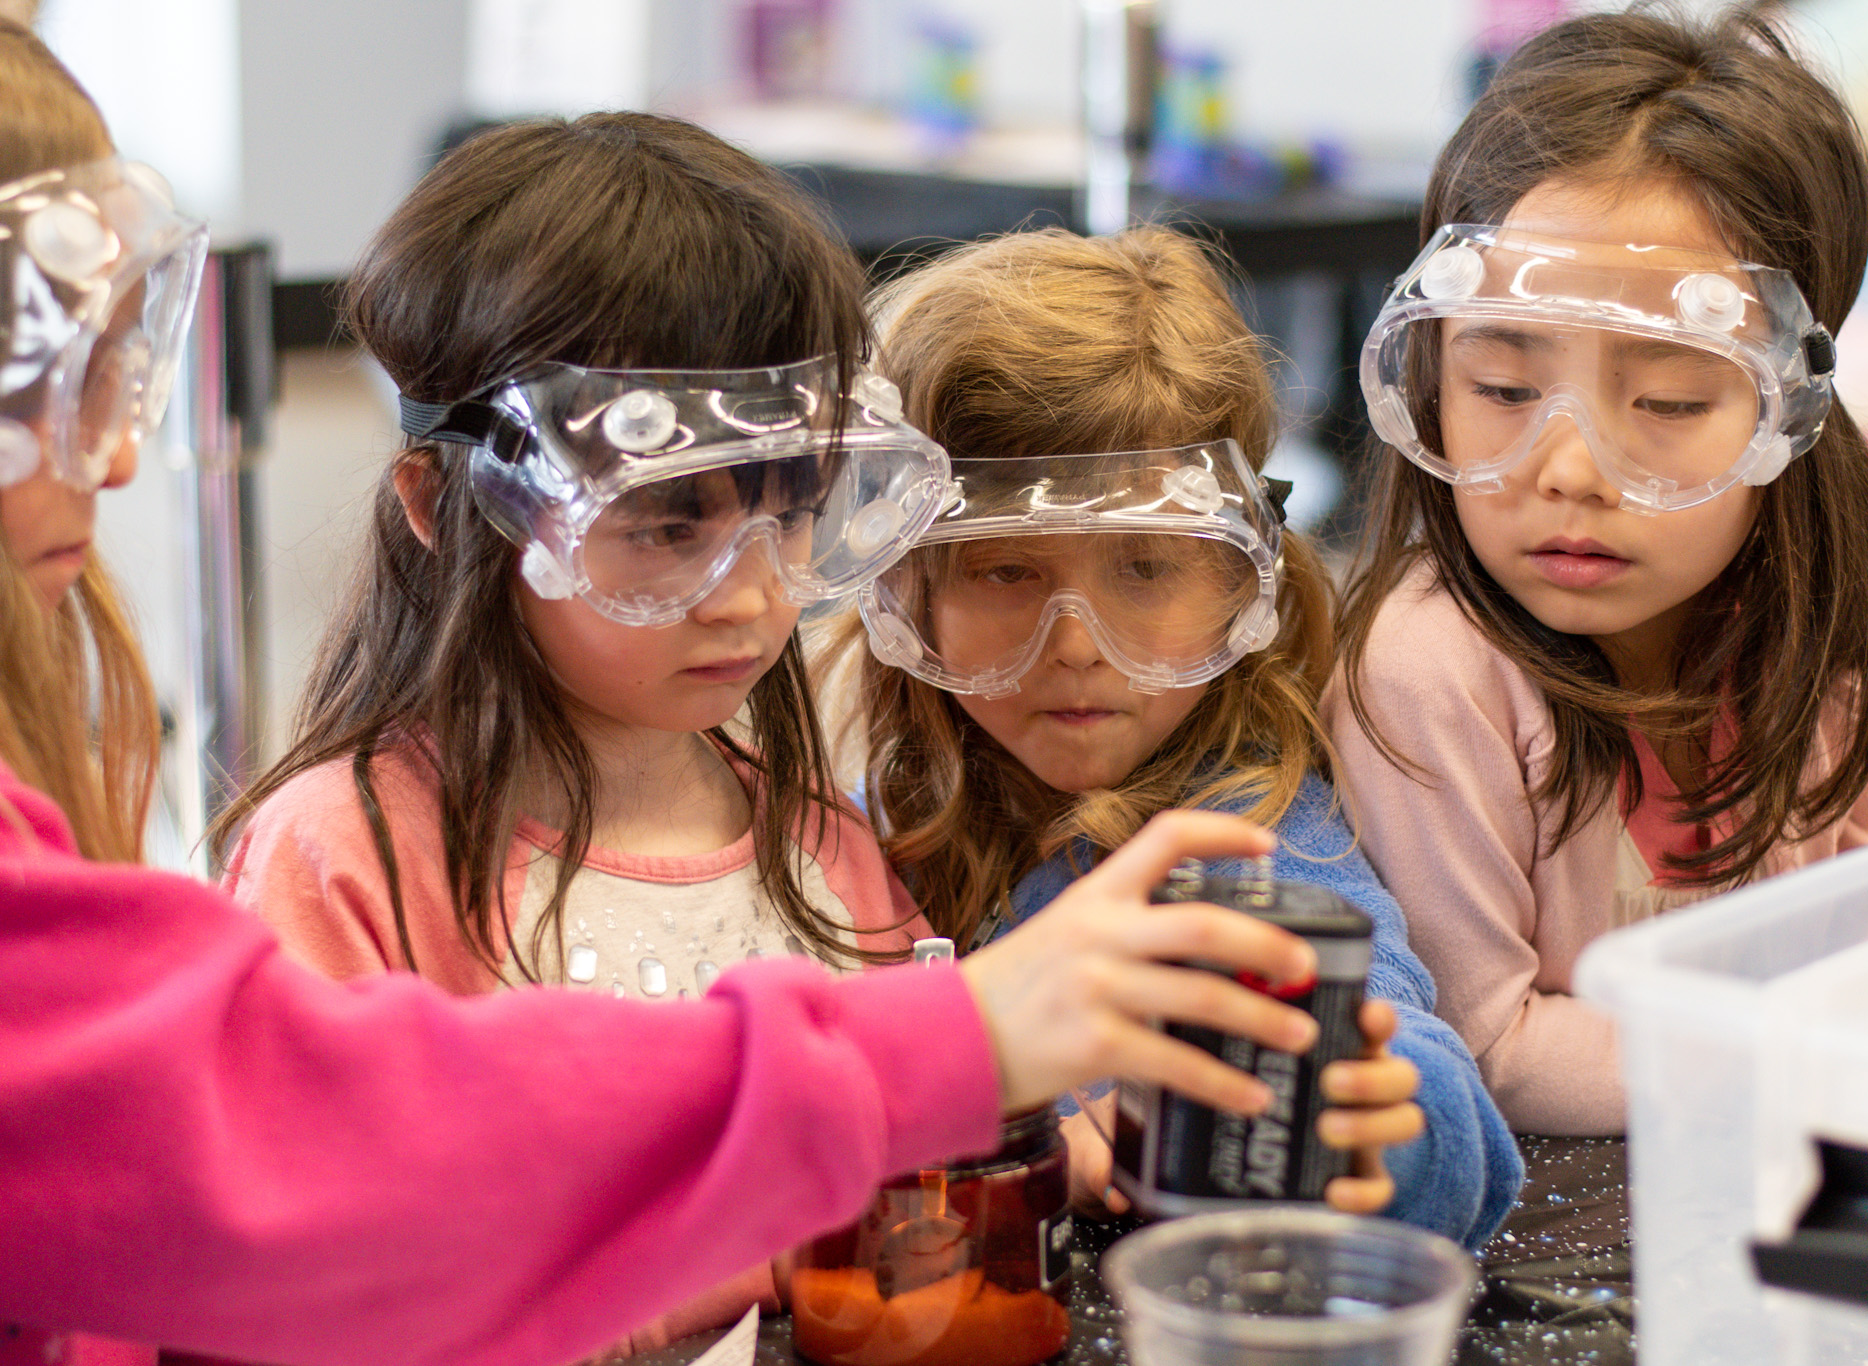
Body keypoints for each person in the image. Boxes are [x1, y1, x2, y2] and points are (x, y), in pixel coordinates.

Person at [0, 24, 1328, 1366]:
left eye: (794, 512)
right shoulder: (345, 861)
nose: (749, 598)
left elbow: (924, 1176)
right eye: (662, 526)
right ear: (439, 504)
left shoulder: (820, 841)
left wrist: (1062, 1125)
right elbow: (314, 1282)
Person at [1325, 6, 1868, 1353]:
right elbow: (1484, 1043)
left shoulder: (1857, 614)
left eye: (1665, 404)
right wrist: (1793, 1048)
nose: (1568, 469)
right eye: (1500, 384)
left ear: (1791, 400)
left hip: (1798, 1204)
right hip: (1532, 1252)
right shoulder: (1432, 670)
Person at [829, 226, 1522, 1251]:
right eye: (1003, 570)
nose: (1074, 647)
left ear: (1245, 576)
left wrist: (1377, 1119)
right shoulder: (876, 798)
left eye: (1145, 569)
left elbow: (1441, 1125)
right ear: (897, 582)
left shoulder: (1239, 838)